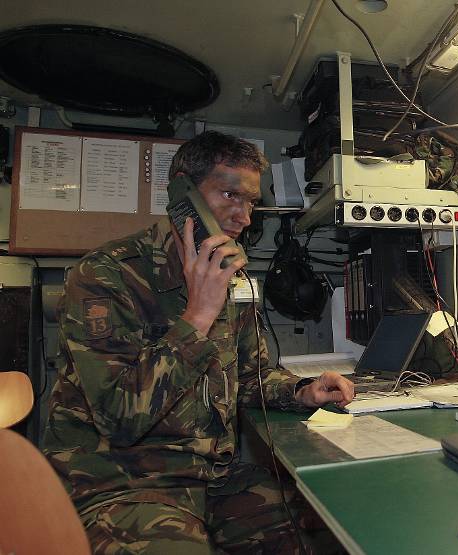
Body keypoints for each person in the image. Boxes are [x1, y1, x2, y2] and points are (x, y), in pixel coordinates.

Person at [42, 131, 354, 553]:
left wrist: (302, 390)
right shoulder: (104, 276)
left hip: (212, 479)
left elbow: (252, 374)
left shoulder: (230, 277)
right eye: (230, 195)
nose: (244, 217)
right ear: (181, 193)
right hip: (122, 482)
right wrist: (198, 315)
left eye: (252, 203)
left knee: (328, 523)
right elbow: (119, 418)